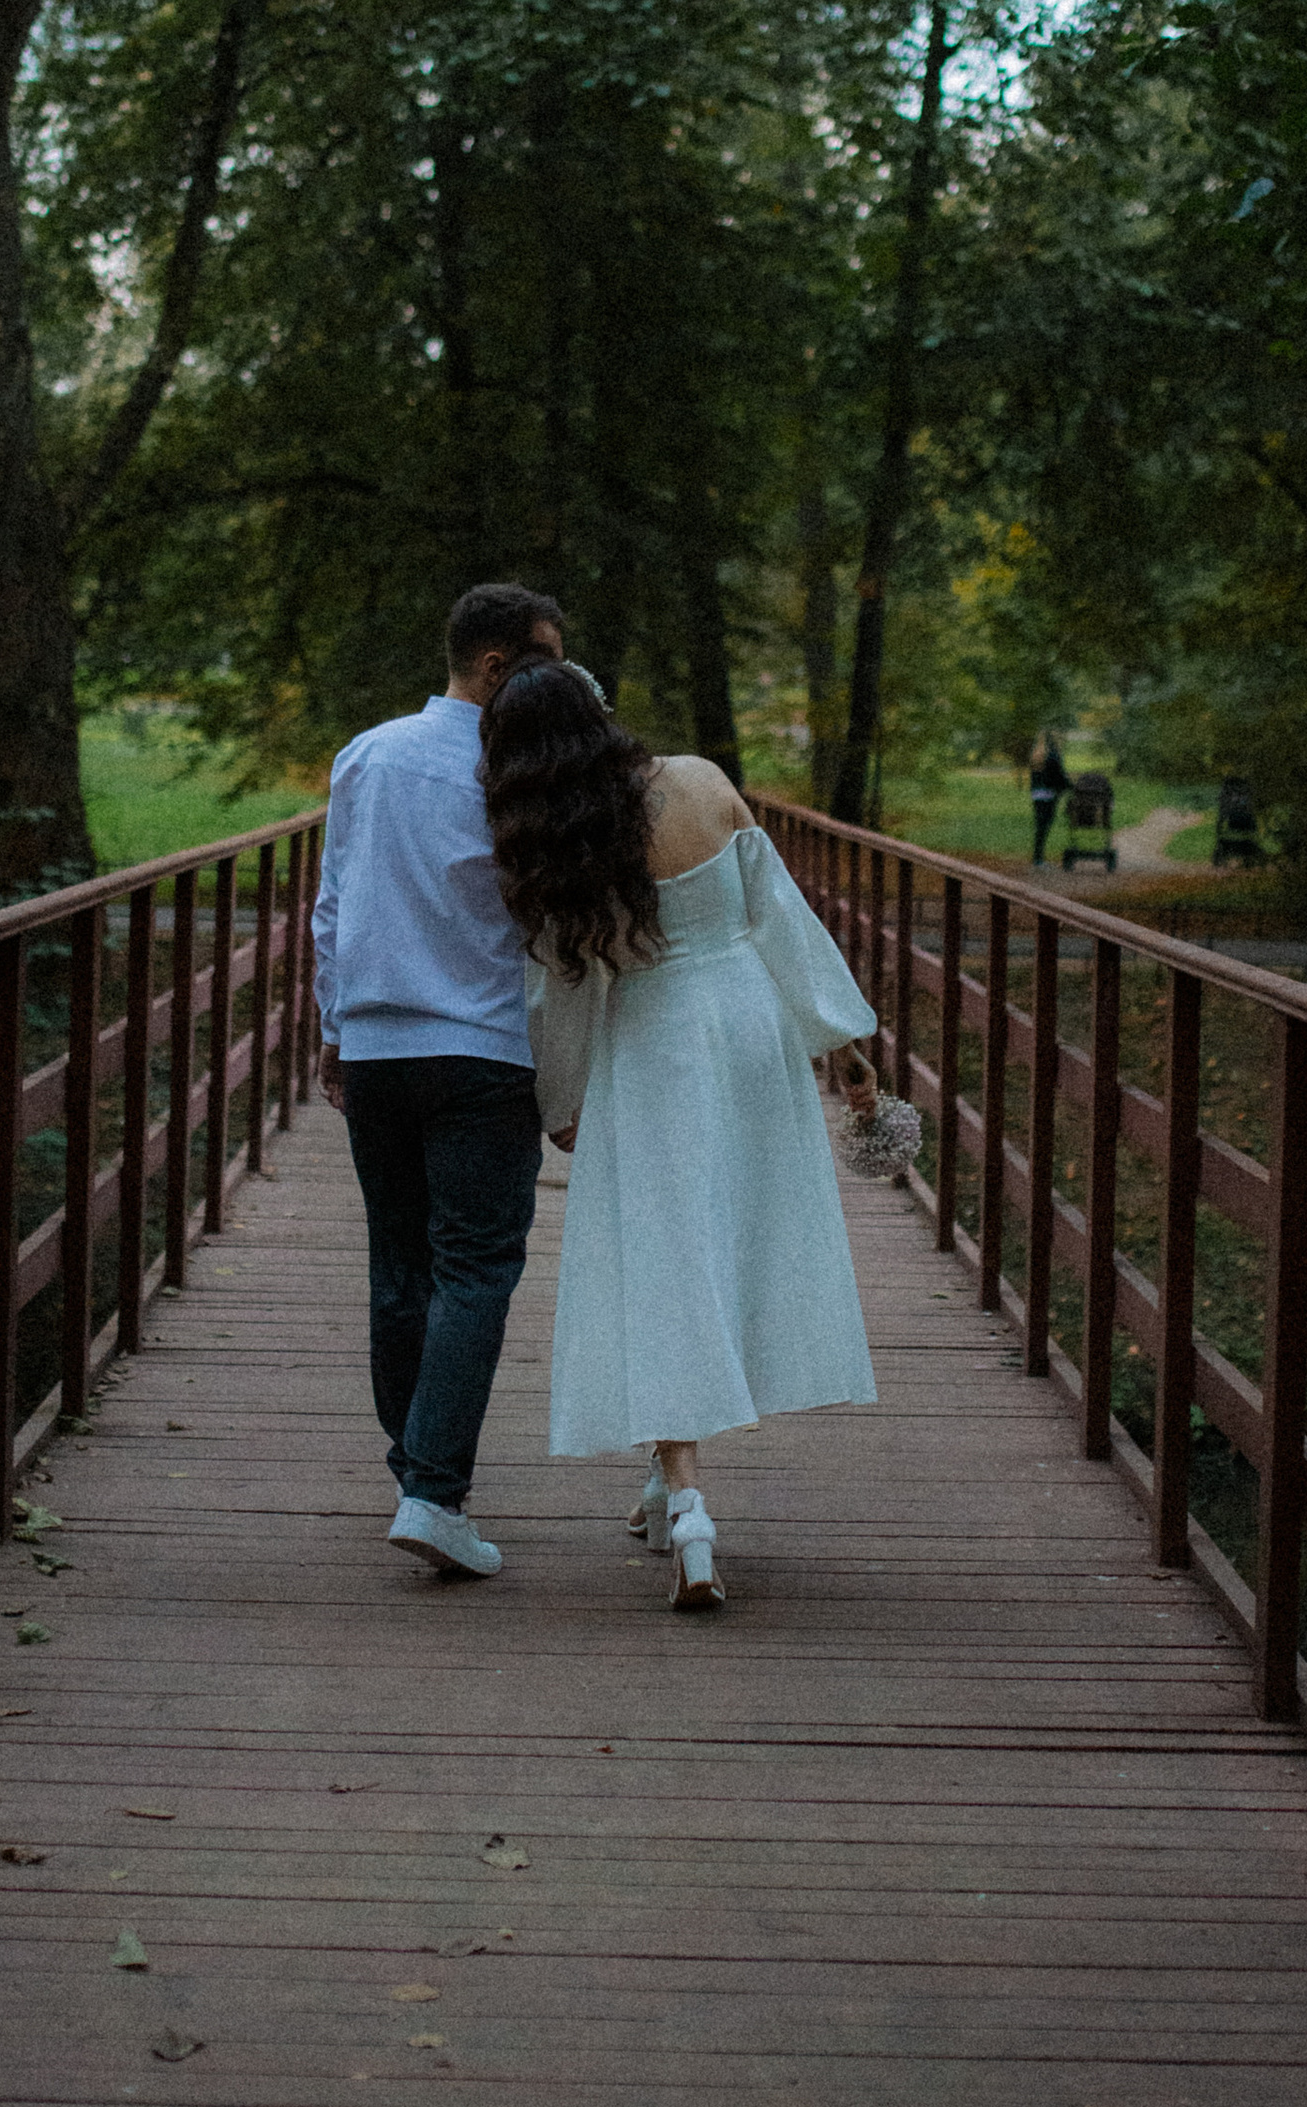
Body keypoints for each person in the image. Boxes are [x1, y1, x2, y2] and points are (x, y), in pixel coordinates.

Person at [479, 656, 882, 1613]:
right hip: (748, 1025)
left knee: (663, 1258)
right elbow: (782, 918)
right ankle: (665, 1485)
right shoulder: (702, 782)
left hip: (655, 1042)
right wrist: (841, 1043)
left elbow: (566, 989)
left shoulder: (558, 844)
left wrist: (561, 1101)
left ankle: (690, 1506)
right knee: (732, 1234)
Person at [312, 581, 566, 1582]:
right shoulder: (520, 772)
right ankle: (433, 1491)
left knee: (399, 1271)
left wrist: (333, 1030)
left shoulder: (366, 755)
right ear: (499, 665)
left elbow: (332, 905)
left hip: (376, 1047)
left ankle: (414, 1474)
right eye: (544, 660)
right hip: (481, 1048)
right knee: (474, 1270)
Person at [1026, 726, 1069, 868]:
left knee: (1040, 826)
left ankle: (1037, 858)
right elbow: (1058, 776)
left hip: (1037, 794)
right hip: (1049, 795)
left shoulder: (1037, 754)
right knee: (1044, 827)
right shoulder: (1053, 755)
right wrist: (1070, 786)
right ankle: (1039, 859)